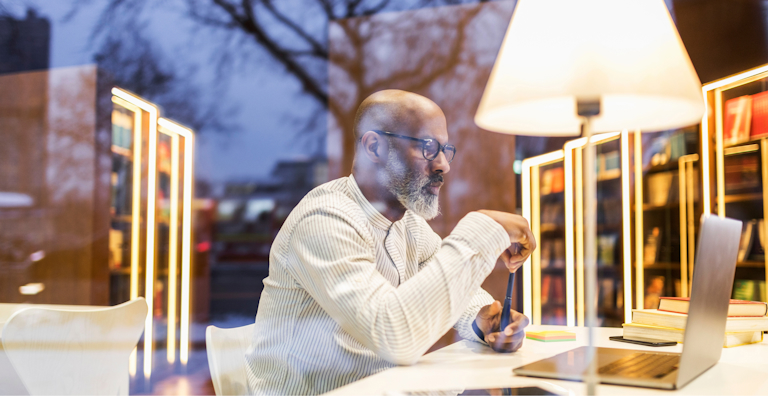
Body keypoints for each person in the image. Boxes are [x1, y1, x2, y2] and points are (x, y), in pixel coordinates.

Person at [245, 90, 535, 395]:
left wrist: (483, 319)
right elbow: (392, 335)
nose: (443, 165)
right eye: (427, 147)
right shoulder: (325, 220)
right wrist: (482, 229)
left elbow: (445, 289)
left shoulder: (408, 223)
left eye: (445, 150)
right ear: (374, 146)